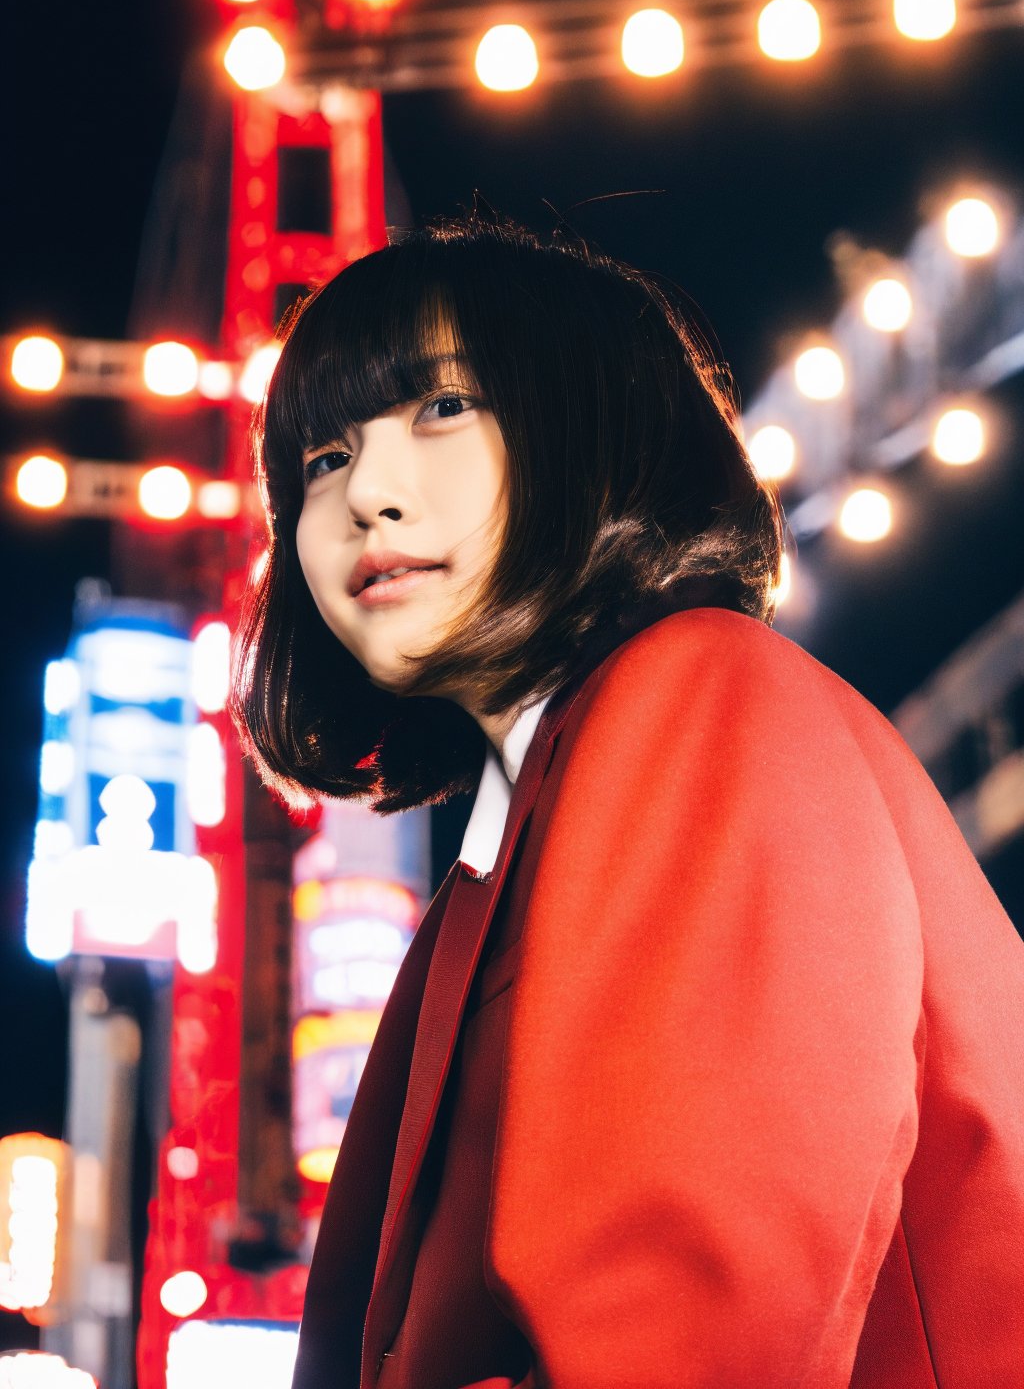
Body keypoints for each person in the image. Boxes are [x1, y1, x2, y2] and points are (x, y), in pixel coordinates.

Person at [231, 210, 1024, 1389]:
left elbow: (687, 1321)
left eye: (443, 406)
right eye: (321, 457)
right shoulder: (497, 862)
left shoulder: (704, 695)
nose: (366, 495)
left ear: (599, 425)